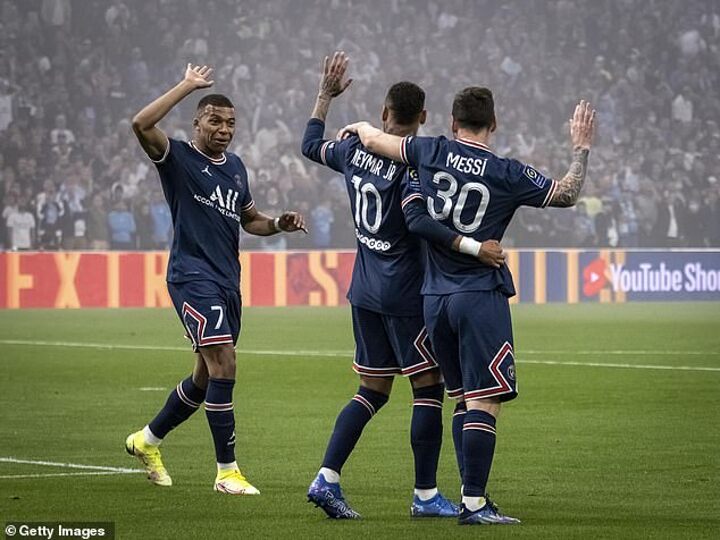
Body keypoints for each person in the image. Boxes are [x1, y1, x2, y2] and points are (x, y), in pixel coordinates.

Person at [339, 88, 595, 525]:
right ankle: (474, 502)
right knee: (485, 401)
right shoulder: (506, 172)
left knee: (460, 397)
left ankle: (467, 495)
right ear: (493, 124)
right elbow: (567, 194)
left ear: (453, 122)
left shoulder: (430, 150)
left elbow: (377, 141)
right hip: (478, 295)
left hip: (433, 299)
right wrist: (581, 148)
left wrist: (361, 126)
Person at [301, 52, 505, 519]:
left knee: (372, 391)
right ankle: (426, 495)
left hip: (364, 290)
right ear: (425, 118)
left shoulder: (352, 150)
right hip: (406, 293)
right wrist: (474, 246)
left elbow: (310, 144)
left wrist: (324, 97)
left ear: (383, 113)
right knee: (429, 390)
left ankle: (326, 478)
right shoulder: (416, 166)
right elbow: (419, 220)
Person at [126, 63, 307, 495]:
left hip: (227, 281)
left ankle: (146, 440)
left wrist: (277, 224)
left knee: (205, 379)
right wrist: (187, 86)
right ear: (197, 123)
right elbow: (140, 123)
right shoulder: (177, 158)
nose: (224, 129)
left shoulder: (237, 167)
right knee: (225, 362)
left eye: (230, 123)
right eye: (215, 121)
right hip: (192, 276)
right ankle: (227, 472)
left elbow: (250, 220)